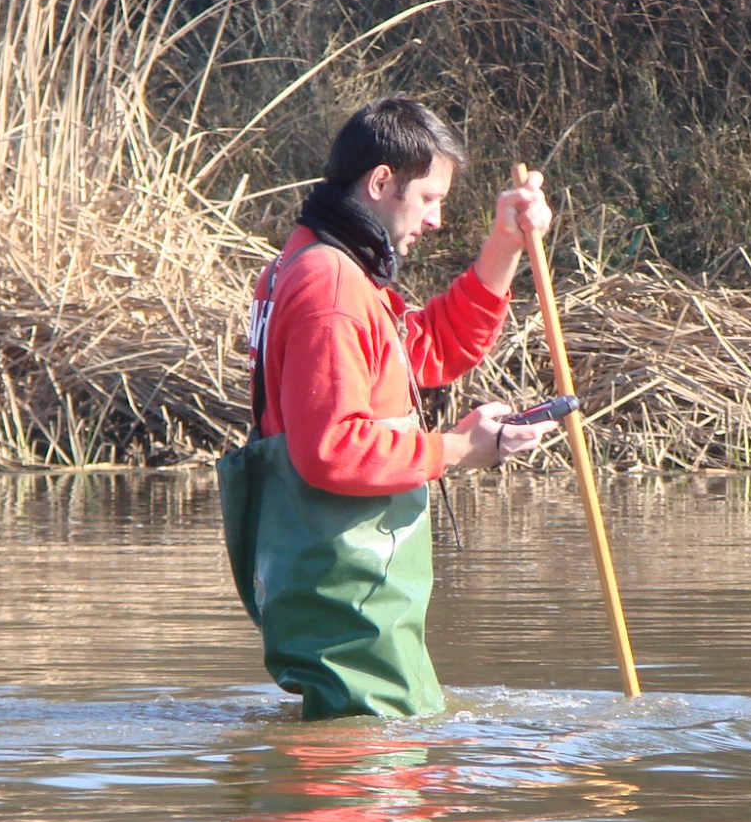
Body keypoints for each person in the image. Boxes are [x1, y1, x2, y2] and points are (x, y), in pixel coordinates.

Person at [218, 98, 557, 719]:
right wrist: (457, 450)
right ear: (381, 182)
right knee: (380, 754)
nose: (435, 220)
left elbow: (425, 349)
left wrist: (505, 244)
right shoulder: (332, 285)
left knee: (381, 747)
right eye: (428, 198)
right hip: (347, 588)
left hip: (333, 583)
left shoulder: (314, 263)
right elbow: (333, 449)